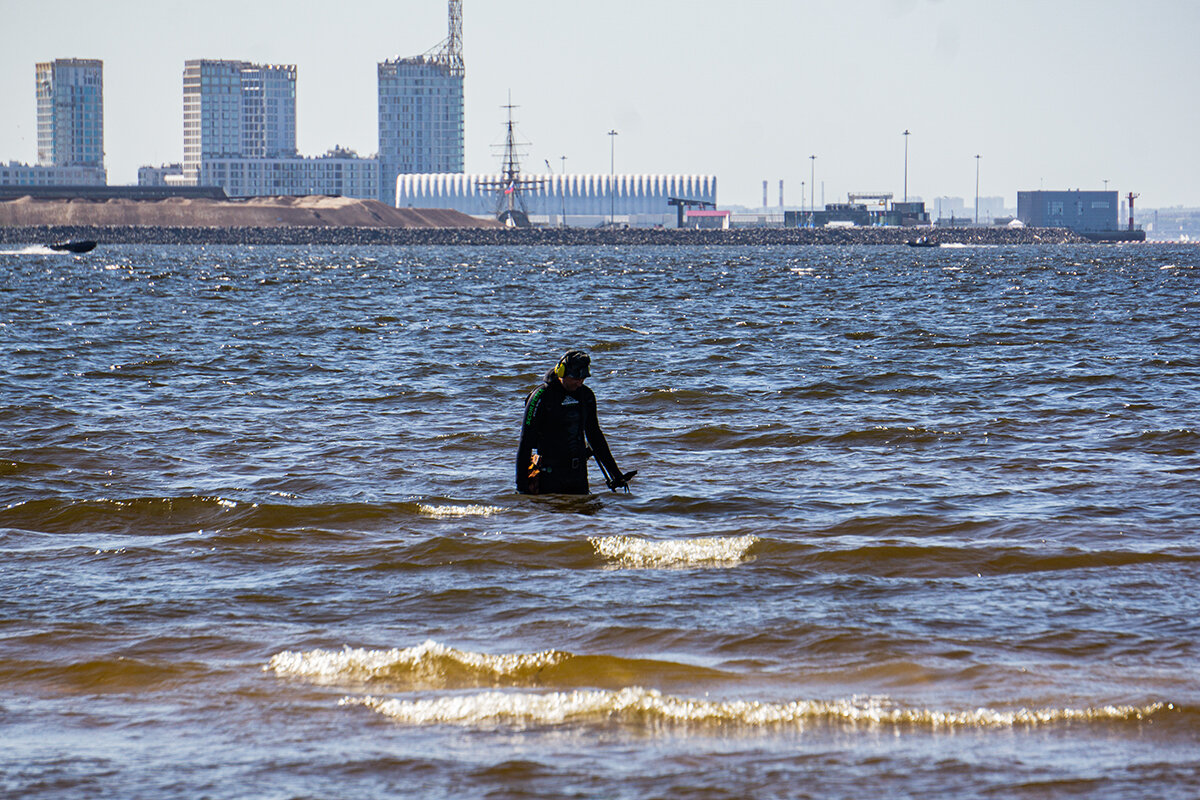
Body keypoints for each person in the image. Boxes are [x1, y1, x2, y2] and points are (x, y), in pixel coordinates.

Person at [516, 350, 635, 495]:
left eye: (583, 378)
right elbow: (525, 443)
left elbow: (595, 437)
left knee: (583, 516)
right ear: (561, 372)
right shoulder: (541, 396)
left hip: (578, 474)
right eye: (575, 378)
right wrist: (521, 487)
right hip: (550, 475)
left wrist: (615, 474)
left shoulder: (586, 395)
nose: (579, 382)